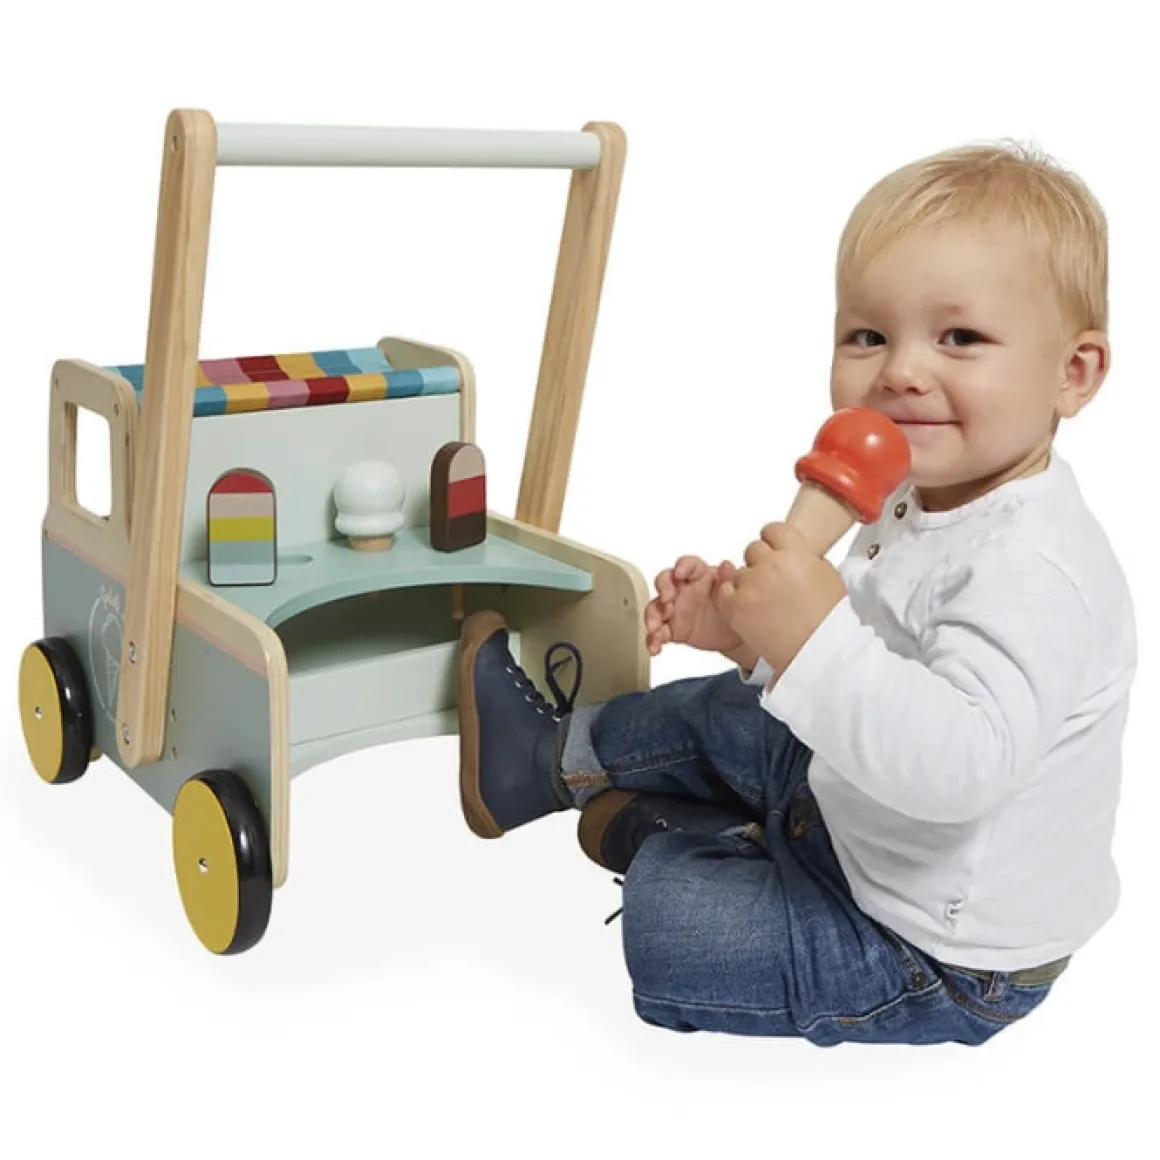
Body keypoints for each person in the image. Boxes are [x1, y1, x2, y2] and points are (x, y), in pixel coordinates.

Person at [454, 140, 1137, 1046]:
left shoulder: (1035, 569)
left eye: (961, 338)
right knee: (722, 709)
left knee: (674, 928)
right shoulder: (919, 494)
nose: (900, 371)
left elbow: (959, 768)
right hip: (857, 810)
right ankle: (539, 761)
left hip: (934, 944)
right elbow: (868, 658)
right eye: (869, 336)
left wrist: (810, 638)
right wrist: (748, 633)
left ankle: (680, 843)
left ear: (1072, 374)